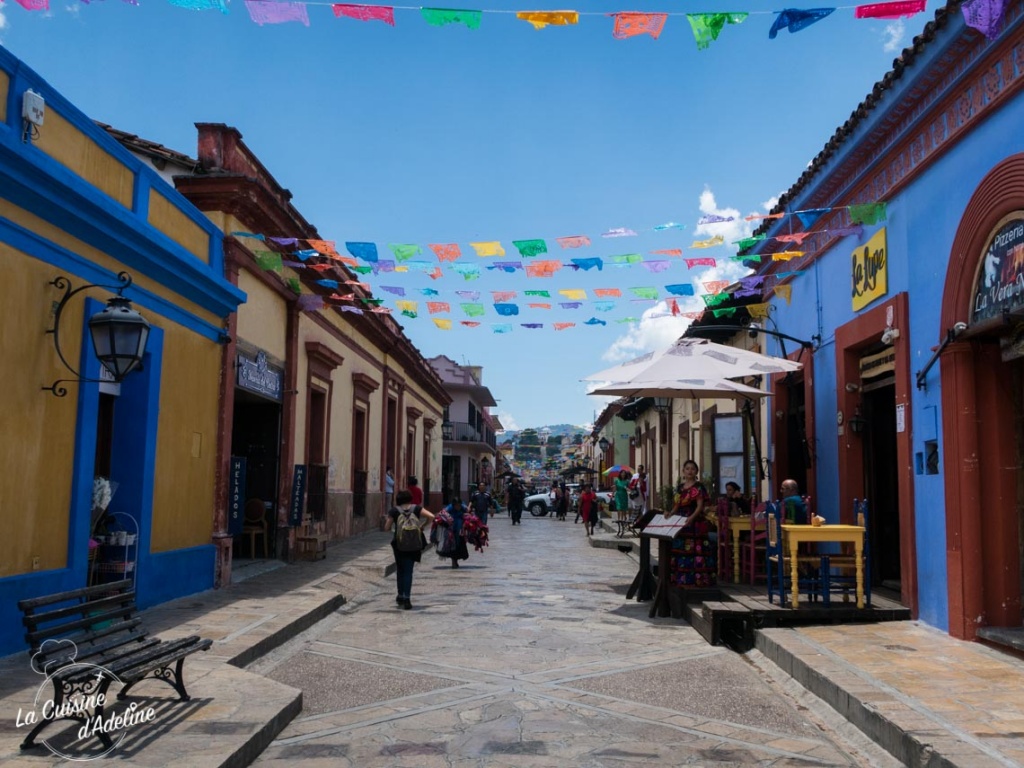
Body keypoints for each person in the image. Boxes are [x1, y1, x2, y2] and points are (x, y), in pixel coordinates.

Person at [382, 489, 434, 609]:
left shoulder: (394, 510)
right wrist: (422, 526)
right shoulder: (416, 509)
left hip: (399, 544)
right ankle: (407, 598)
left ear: (398, 499)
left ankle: (400, 595)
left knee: (400, 570)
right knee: (408, 571)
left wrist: (394, 527)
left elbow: (386, 528)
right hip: (414, 544)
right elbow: (431, 516)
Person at [671, 460, 709, 527]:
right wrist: (671, 513)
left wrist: (691, 518)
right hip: (680, 520)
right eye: (687, 469)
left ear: (696, 472)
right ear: (683, 471)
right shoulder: (680, 487)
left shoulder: (699, 486)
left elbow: (699, 506)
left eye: (693, 469)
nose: (690, 471)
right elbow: (676, 505)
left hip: (695, 520)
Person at [435, 497, 470, 568]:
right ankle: (454, 561)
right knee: (453, 546)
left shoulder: (463, 507)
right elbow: (442, 513)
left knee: (459, 545)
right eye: (457, 505)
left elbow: (467, 511)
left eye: (459, 505)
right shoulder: (450, 507)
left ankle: (455, 560)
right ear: (453, 505)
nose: (458, 507)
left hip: (460, 530)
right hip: (451, 530)